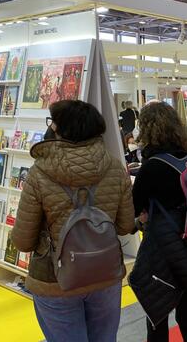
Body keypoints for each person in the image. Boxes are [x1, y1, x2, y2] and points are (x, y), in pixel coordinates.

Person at [12, 100, 135, 342]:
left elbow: (23, 241)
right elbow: (125, 226)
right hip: (105, 272)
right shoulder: (116, 168)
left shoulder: (38, 174)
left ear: (61, 130)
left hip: (54, 279)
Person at [132, 102, 187, 341]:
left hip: (160, 244)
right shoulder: (185, 157)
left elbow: (134, 205)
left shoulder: (152, 166)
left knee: (157, 308)